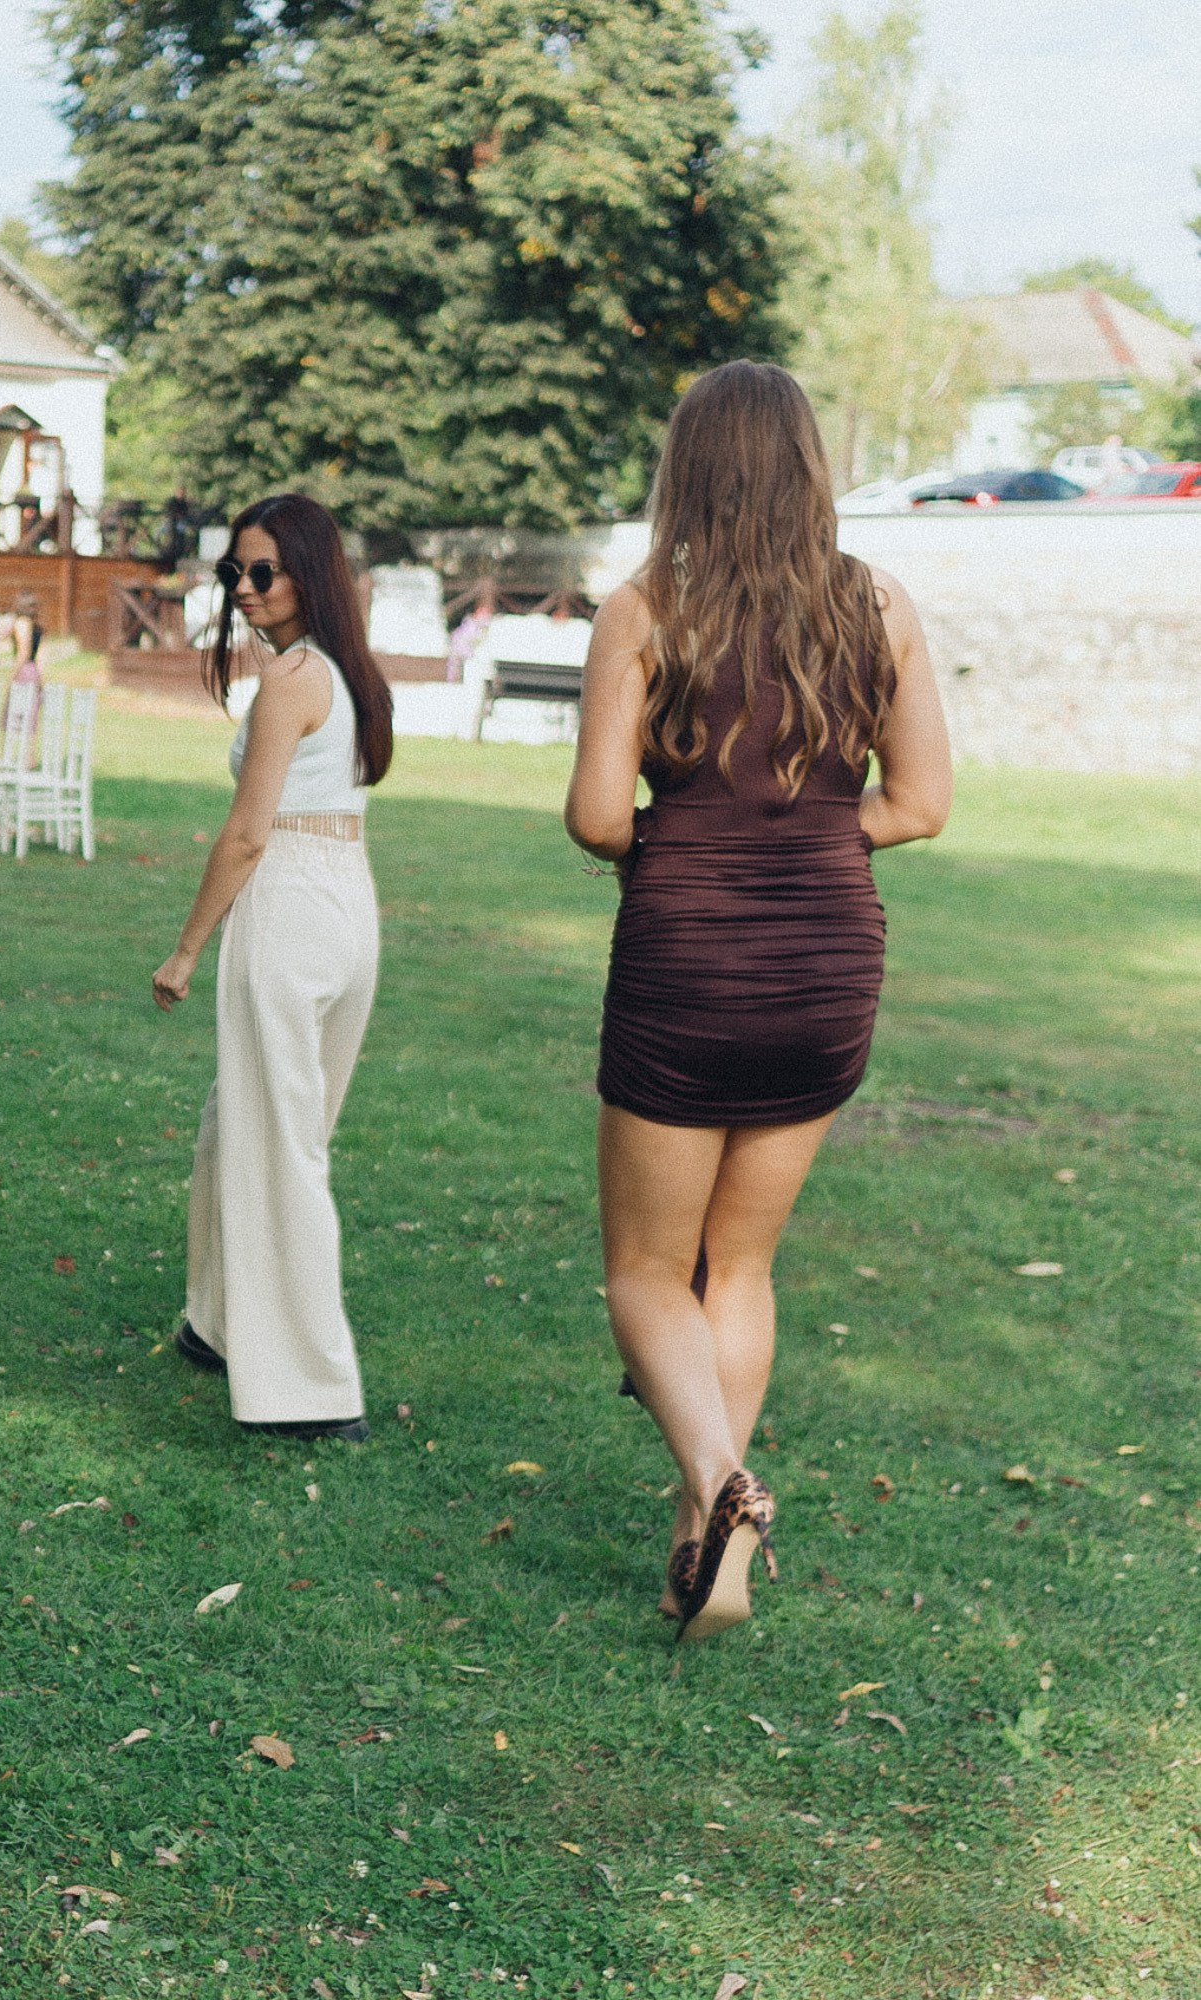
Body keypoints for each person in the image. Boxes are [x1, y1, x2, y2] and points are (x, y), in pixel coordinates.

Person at [563, 360, 951, 1644]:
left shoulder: (644, 608)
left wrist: (690, 845)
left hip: (685, 961)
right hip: (827, 965)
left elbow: (595, 814)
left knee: (640, 1271)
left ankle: (725, 1489)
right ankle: (705, 1560)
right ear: (804, 465)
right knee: (740, 1263)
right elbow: (918, 802)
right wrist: (812, 843)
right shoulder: (875, 605)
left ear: (691, 468)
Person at [152, 493, 393, 1442]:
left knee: (282, 1145)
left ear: (308, 574)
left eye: (264, 572)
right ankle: (215, 1321)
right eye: (234, 573)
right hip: (346, 905)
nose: (245, 590)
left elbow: (249, 833)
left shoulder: (292, 680)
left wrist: (184, 948)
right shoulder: (348, 672)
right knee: (243, 1121)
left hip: (291, 900)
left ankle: (312, 1388)